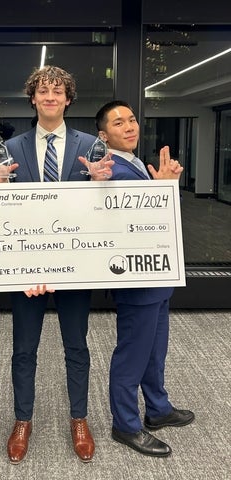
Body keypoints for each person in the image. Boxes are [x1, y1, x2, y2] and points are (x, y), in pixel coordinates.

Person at [0, 65, 112, 464]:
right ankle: (23, 420)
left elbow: (103, 210)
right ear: (33, 98)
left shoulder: (92, 146)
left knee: (77, 345)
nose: (50, 97)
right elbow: (4, 210)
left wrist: (100, 183)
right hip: (27, 269)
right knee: (24, 348)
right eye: (43, 91)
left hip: (75, 267)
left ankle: (79, 417)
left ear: (68, 98)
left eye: (58, 91)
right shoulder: (11, 148)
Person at [90, 100, 195, 457]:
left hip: (158, 276)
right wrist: (160, 190)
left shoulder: (135, 163)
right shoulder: (110, 171)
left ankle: (158, 409)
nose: (129, 126)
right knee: (132, 355)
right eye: (119, 123)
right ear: (104, 135)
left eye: (132, 119)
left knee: (155, 351)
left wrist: (166, 186)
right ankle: (126, 424)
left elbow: (159, 222)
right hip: (136, 280)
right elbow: (125, 225)